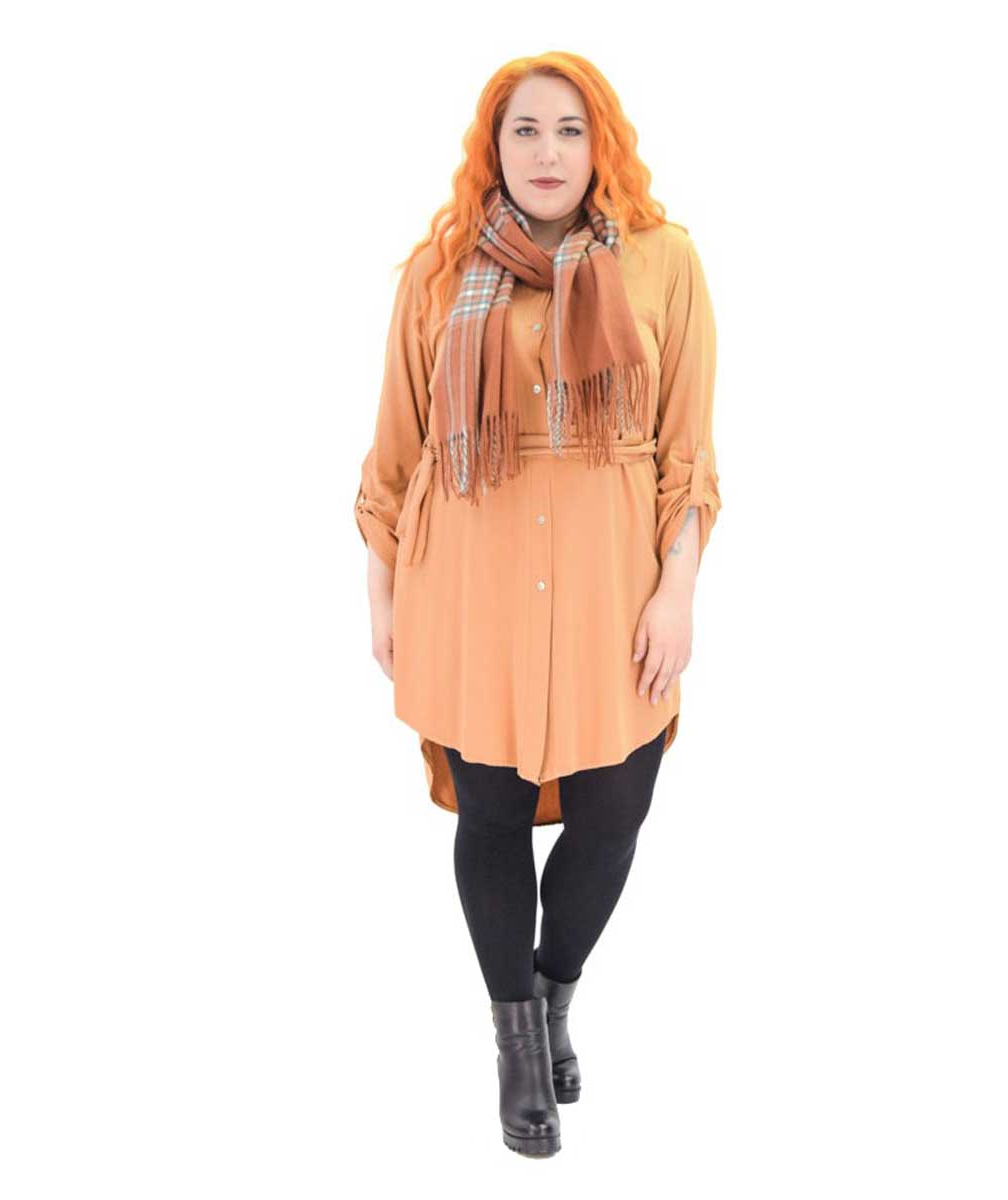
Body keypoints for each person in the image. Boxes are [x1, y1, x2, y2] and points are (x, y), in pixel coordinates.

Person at [354, 52, 721, 1158]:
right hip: (467, 589)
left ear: (600, 143)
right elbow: (397, 449)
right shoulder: (438, 273)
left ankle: (554, 989)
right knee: (494, 815)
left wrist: (676, 591)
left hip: (615, 591)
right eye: (525, 130)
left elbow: (688, 452)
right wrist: (383, 596)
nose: (547, 151)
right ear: (494, 146)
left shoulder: (664, 261)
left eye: (569, 129)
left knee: (615, 811)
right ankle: (518, 1043)